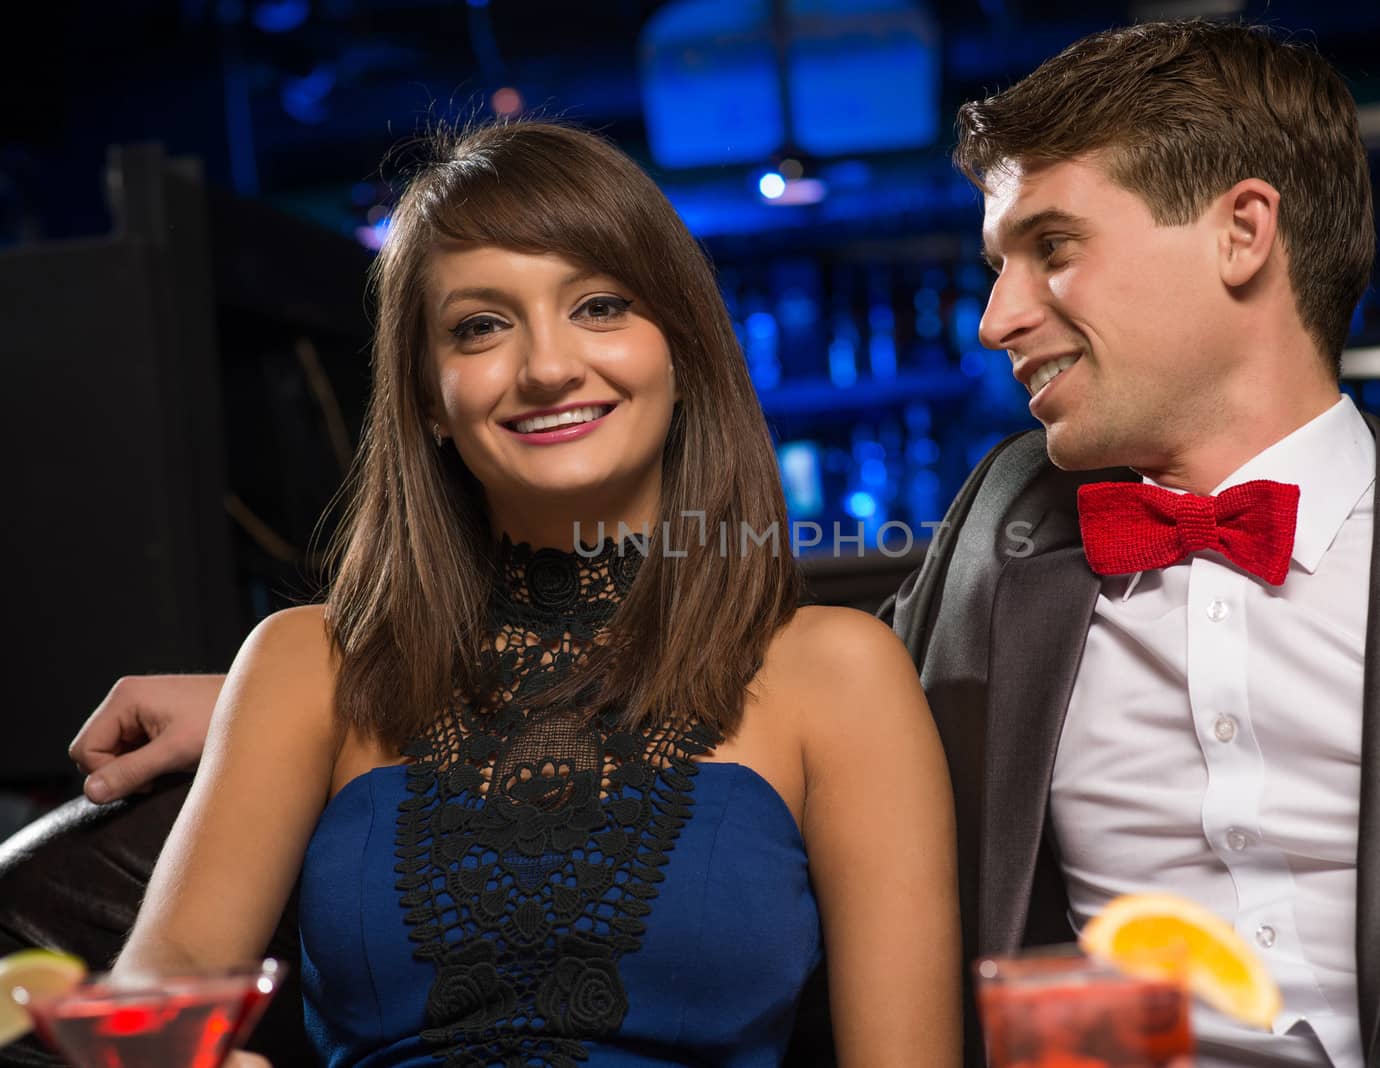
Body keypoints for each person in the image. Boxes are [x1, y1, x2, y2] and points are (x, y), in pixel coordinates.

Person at [64, 17, 1380, 1068]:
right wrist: (287, 695)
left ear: (1245, 233)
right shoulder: (1003, 541)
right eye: (482, 329)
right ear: (427, 386)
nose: (992, 317)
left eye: (1046, 251)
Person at [74, 119, 961, 1067]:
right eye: (481, 327)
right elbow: (153, 1002)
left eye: (601, 306)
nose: (546, 367)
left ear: (685, 350)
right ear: (424, 393)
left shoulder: (840, 671)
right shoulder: (302, 664)